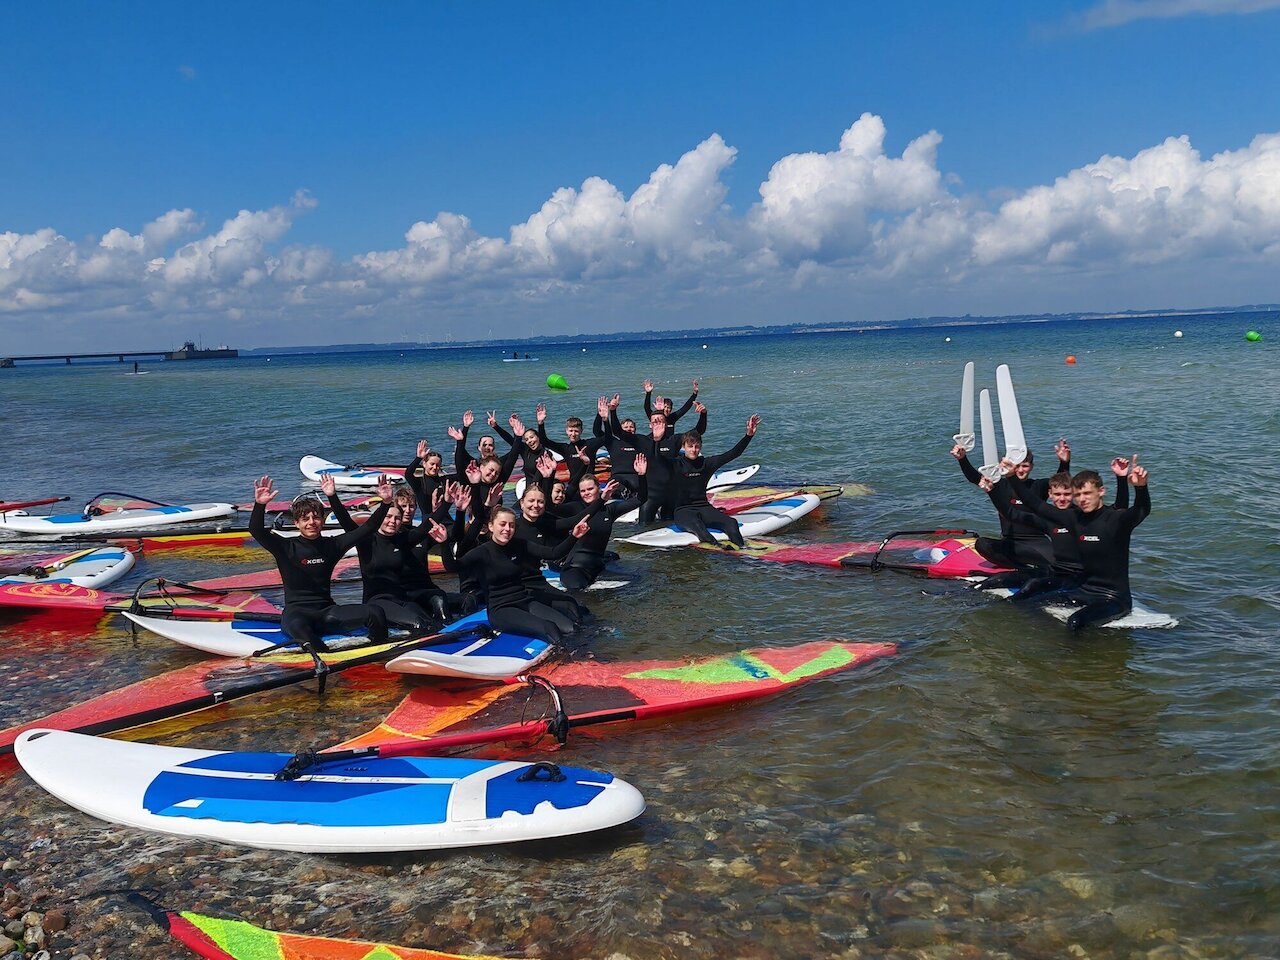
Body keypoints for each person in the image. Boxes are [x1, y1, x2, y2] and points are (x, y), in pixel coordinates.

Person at [1002, 455, 1151, 630]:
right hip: (1085, 590)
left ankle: (1077, 655)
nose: (1082, 499)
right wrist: (1011, 476)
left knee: (1075, 622)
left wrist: (1141, 487)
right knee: (1031, 603)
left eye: (1087, 493)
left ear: (1101, 491)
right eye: (1078, 494)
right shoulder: (1074, 519)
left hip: (1114, 597)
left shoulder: (1115, 520)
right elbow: (1036, 505)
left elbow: (1141, 510)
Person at [248, 475, 393, 651]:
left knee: (375, 612)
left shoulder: (332, 545)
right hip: (297, 615)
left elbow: (367, 529)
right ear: (297, 523)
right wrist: (260, 504)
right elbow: (256, 531)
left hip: (327, 612)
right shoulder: (286, 547)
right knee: (306, 637)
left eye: (316, 518)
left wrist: (385, 503)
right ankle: (325, 659)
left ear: (322, 521)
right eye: (305, 519)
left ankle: (380, 652)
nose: (311, 523)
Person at [979, 458, 1132, 601]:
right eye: (1057, 495)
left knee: (1031, 587)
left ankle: (1010, 611)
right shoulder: (1052, 517)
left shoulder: (1082, 516)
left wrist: (1121, 478)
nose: (1062, 499)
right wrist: (992, 491)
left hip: (1078, 576)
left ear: (1073, 495)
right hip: (1054, 570)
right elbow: (1012, 513)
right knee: (999, 579)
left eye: (1067, 494)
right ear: (1050, 495)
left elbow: (1119, 510)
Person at [324, 475, 452, 628]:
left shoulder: (403, 539)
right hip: (378, 602)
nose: (393, 521)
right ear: (379, 518)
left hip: (402, 599)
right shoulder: (366, 540)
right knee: (419, 625)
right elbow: (346, 521)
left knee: (433, 624)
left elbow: (426, 527)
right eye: (388, 517)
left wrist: (448, 503)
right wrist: (332, 496)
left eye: (397, 518)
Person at [458, 505, 590, 645]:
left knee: (571, 629)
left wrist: (574, 536)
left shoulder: (520, 545)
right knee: (549, 627)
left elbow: (553, 553)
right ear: (491, 526)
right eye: (502, 524)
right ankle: (568, 662)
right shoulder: (482, 552)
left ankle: (586, 657)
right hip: (501, 610)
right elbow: (454, 567)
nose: (507, 529)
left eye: (512, 525)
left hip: (525, 601)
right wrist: (443, 544)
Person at [951, 440, 1071, 580]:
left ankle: (1032, 567)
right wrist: (962, 459)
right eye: (1017, 466)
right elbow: (975, 478)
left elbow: (1060, 483)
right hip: (1010, 542)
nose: (1020, 470)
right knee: (981, 544)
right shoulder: (999, 485)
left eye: (1025, 466)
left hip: (1037, 542)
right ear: (1010, 467)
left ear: (1031, 467)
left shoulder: (1039, 486)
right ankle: (1025, 568)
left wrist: (1064, 462)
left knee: (1058, 564)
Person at [669, 415, 760, 548]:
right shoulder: (676, 464)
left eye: (697, 446)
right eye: (690, 446)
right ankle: (720, 550)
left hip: (704, 507)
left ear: (700, 447)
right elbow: (656, 459)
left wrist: (748, 435)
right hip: (683, 511)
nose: (694, 450)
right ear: (684, 447)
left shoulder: (706, 464)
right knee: (698, 527)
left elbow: (734, 453)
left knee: (731, 523)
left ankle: (742, 548)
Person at [558, 460, 647, 590]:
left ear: (599, 488)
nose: (586, 493)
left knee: (636, 582)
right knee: (578, 592)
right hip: (574, 568)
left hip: (597, 568)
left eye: (590, 489)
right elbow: (550, 508)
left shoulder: (609, 510)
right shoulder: (575, 508)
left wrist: (641, 475)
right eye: (583, 491)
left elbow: (640, 499)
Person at [631, 402, 707, 522]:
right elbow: (618, 433)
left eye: (660, 421)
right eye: (654, 421)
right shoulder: (643, 441)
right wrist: (610, 414)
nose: (657, 423)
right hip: (651, 493)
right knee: (643, 526)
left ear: (666, 424)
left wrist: (703, 414)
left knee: (669, 524)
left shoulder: (674, 440)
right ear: (650, 425)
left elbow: (698, 432)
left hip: (671, 492)